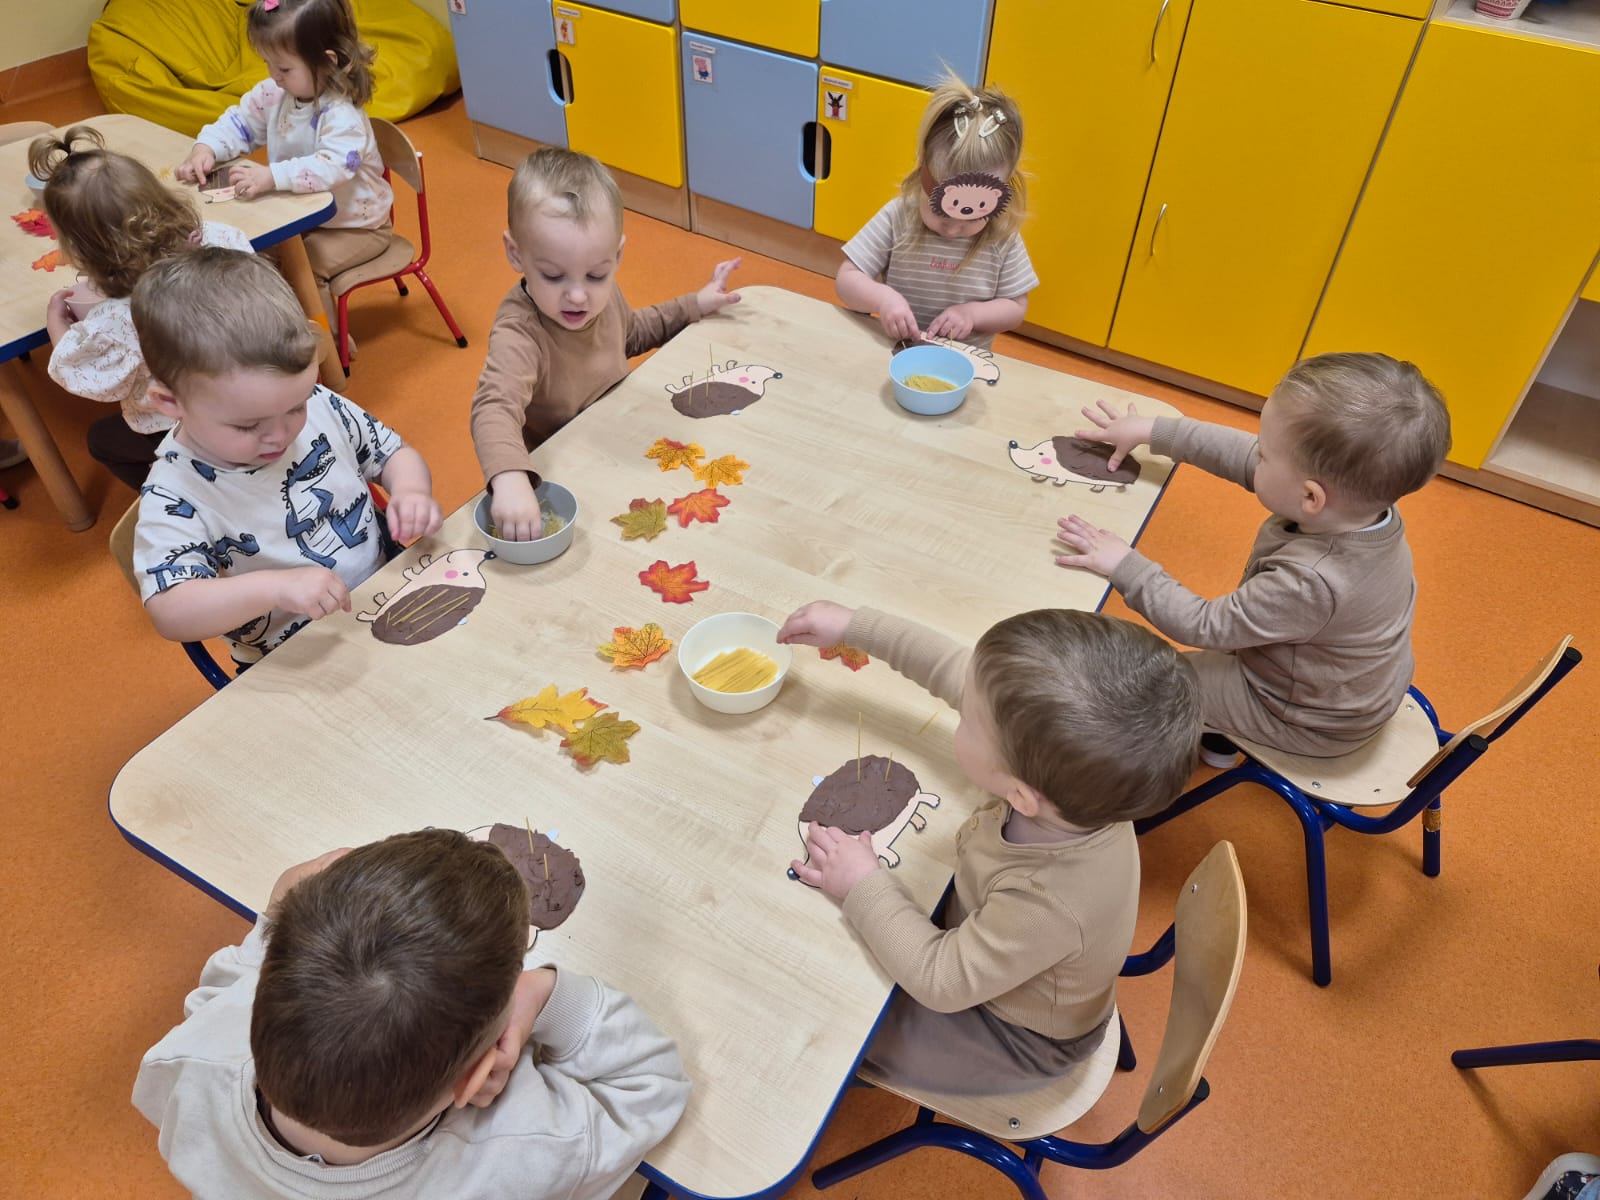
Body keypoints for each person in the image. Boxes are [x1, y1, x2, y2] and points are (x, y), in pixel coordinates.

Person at [777, 600, 1200, 1095]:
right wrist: (856, 626)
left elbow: (940, 979)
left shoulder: (1048, 901)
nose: (962, 704)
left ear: (1020, 796)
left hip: (1013, 1036)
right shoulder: (1075, 796)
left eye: (969, 720)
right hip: (989, 948)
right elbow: (964, 674)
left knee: (823, 1021)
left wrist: (861, 883)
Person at [132, 828, 691, 1199]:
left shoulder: (189, 1060)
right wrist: (544, 995)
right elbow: (652, 1086)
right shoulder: (527, 1150)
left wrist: (273, 919)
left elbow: (220, 994)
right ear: (477, 1079)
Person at [1055, 351, 1452, 765]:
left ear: (1310, 496)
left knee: (1152, 683)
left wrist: (1124, 565)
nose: (1254, 454)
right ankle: (1221, 735)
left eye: (1265, 454)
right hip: (1339, 682)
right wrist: (1155, 431)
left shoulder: (1312, 581)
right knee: (1244, 633)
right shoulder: (1362, 505)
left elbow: (1204, 625)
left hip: (1303, 716)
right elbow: (1244, 456)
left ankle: (1128, 765)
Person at [130, 248, 442, 668]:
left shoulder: (317, 401)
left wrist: (411, 490)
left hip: (390, 594)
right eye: (247, 426)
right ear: (170, 402)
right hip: (298, 659)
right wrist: (274, 589)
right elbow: (170, 611)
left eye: (296, 407)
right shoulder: (175, 493)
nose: (280, 434)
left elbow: (394, 455)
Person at [470, 146, 742, 541]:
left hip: (621, 439)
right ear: (516, 254)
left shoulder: (603, 297)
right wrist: (510, 477)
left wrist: (694, 305)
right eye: (553, 276)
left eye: (596, 275)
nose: (578, 296)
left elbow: (630, 334)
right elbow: (493, 408)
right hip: (571, 473)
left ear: (616, 256)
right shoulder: (519, 331)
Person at [28, 126, 254, 489]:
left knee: (101, 442)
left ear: (79, 248)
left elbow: (86, 377)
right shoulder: (223, 239)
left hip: (190, 429)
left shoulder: (120, 318)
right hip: (257, 390)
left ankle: (178, 493)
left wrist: (59, 327)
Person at [174, 0, 392, 327]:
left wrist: (273, 176)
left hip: (358, 227)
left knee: (304, 268)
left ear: (326, 62)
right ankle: (278, 329)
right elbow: (239, 123)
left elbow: (332, 166)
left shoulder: (342, 115)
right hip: (303, 219)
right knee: (253, 256)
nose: (273, 76)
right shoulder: (273, 94)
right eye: (268, 63)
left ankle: (328, 343)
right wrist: (207, 148)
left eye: (284, 69)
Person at [835, 73, 1037, 349]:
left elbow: (1015, 307)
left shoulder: (1002, 236)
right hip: (897, 351)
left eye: (973, 217)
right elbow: (846, 279)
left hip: (963, 360)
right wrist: (883, 299)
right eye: (941, 212)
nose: (952, 228)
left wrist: (972, 315)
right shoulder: (899, 216)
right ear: (922, 172)